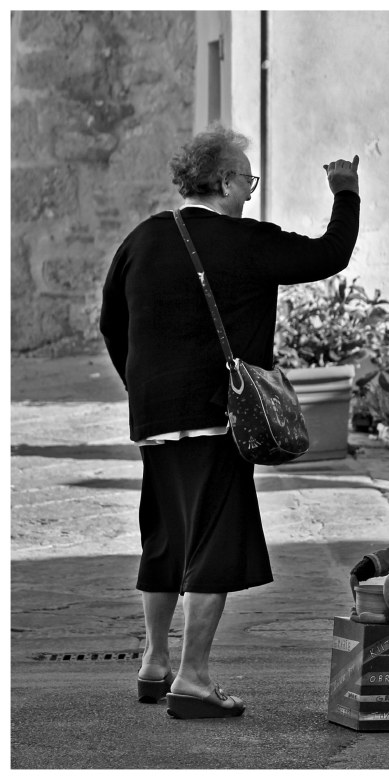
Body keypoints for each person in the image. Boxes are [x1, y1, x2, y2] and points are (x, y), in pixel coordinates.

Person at [100, 126, 360, 719]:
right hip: (219, 420)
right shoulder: (246, 242)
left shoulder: (141, 241)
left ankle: (154, 662)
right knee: (213, 545)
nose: (250, 188)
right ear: (223, 182)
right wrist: (345, 192)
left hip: (155, 419)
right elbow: (329, 254)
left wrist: (143, 387)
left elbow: (112, 326)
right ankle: (192, 678)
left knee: (165, 536)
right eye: (247, 178)